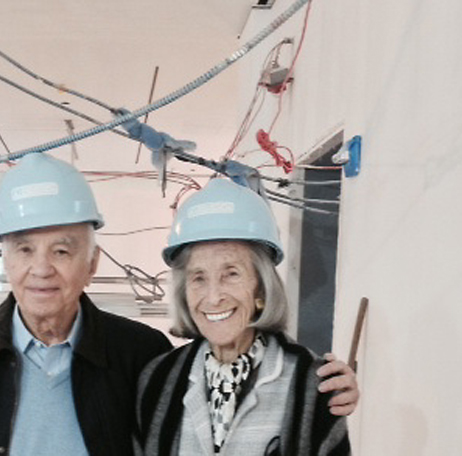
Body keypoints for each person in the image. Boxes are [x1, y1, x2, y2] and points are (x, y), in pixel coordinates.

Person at [0, 154, 358, 456]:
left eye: (62, 251)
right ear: (4, 261)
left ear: (92, 262)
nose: (41, 269)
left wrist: (335, 386)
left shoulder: (139, 354)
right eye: (24, 250)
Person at [135, 178, 353, 456]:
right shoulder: (157, 379)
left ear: (261, 286)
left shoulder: (313, 382)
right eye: (198, 278)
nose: (213, 297)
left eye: (231, 274)